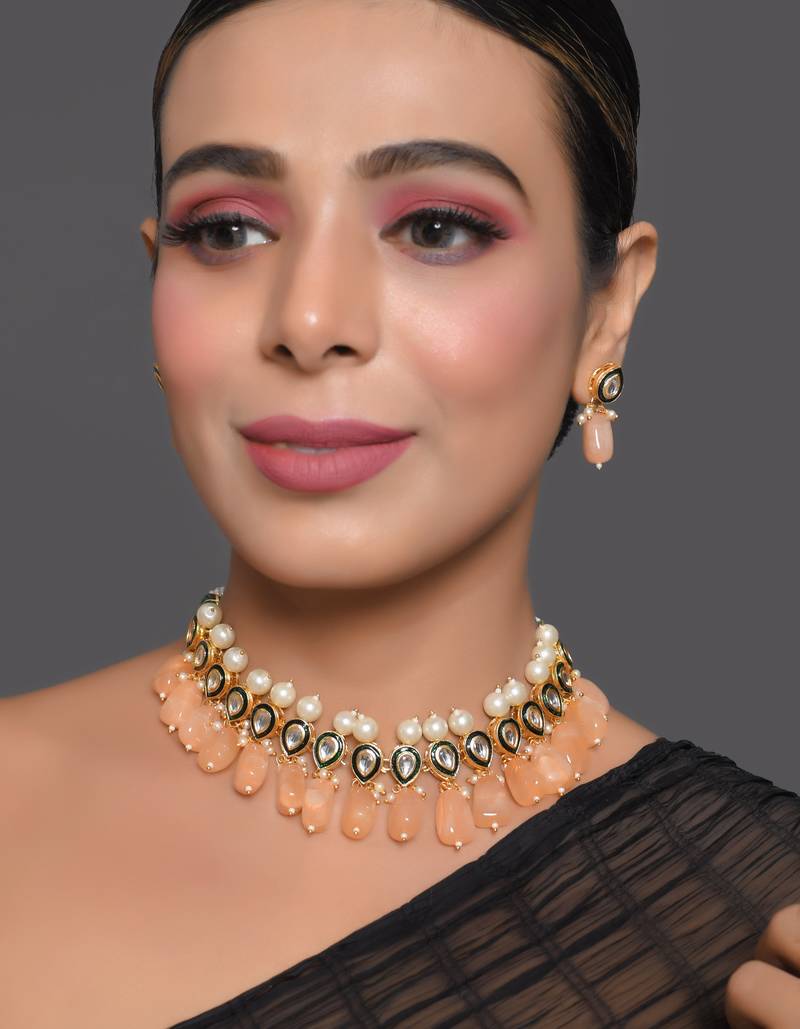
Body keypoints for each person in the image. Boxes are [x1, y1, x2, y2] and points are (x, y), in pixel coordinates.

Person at [1, 1, 798, 1026]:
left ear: (605, 314)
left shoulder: (760, 907)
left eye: (436, 229)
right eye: (228, 231)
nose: (309, 321)